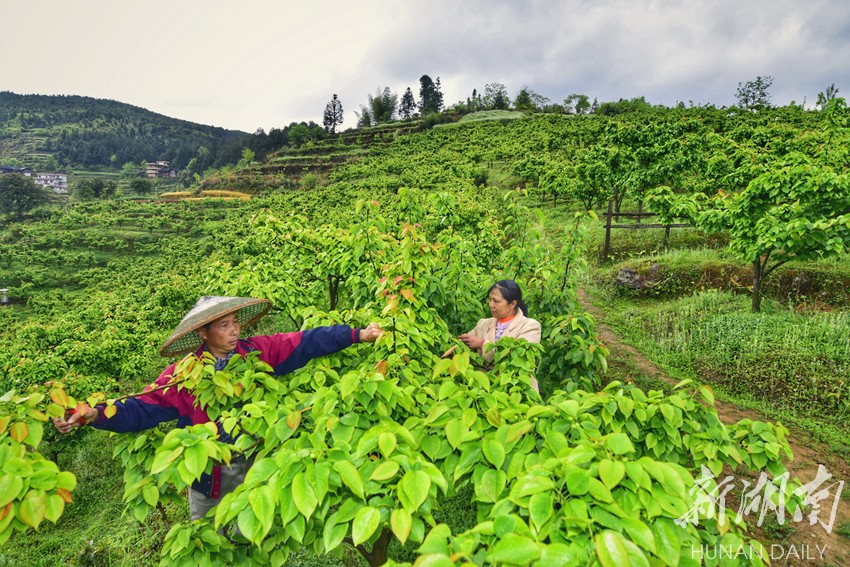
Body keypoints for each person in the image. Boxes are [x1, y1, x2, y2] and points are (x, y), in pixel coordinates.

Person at [53, 295, 382, 521]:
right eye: (223, 325)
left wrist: (356, 334)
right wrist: (94, 413)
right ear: (203, 332)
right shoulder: (184, 375)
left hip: (253, 468)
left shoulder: (257, 354)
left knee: (251, 540)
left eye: (235, 322)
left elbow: (304, 342)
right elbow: (144, 405)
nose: (235, 330)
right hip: (208, 481)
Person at [457, 280, 541, 391]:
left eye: (496, 301)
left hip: (515, 389)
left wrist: (482, 344)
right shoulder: (483, 324)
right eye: (490, 299)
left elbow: (516, 357)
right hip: (484, 390)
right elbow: (464, 344)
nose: (491, 304)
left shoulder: (530, 326)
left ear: (513, 304)